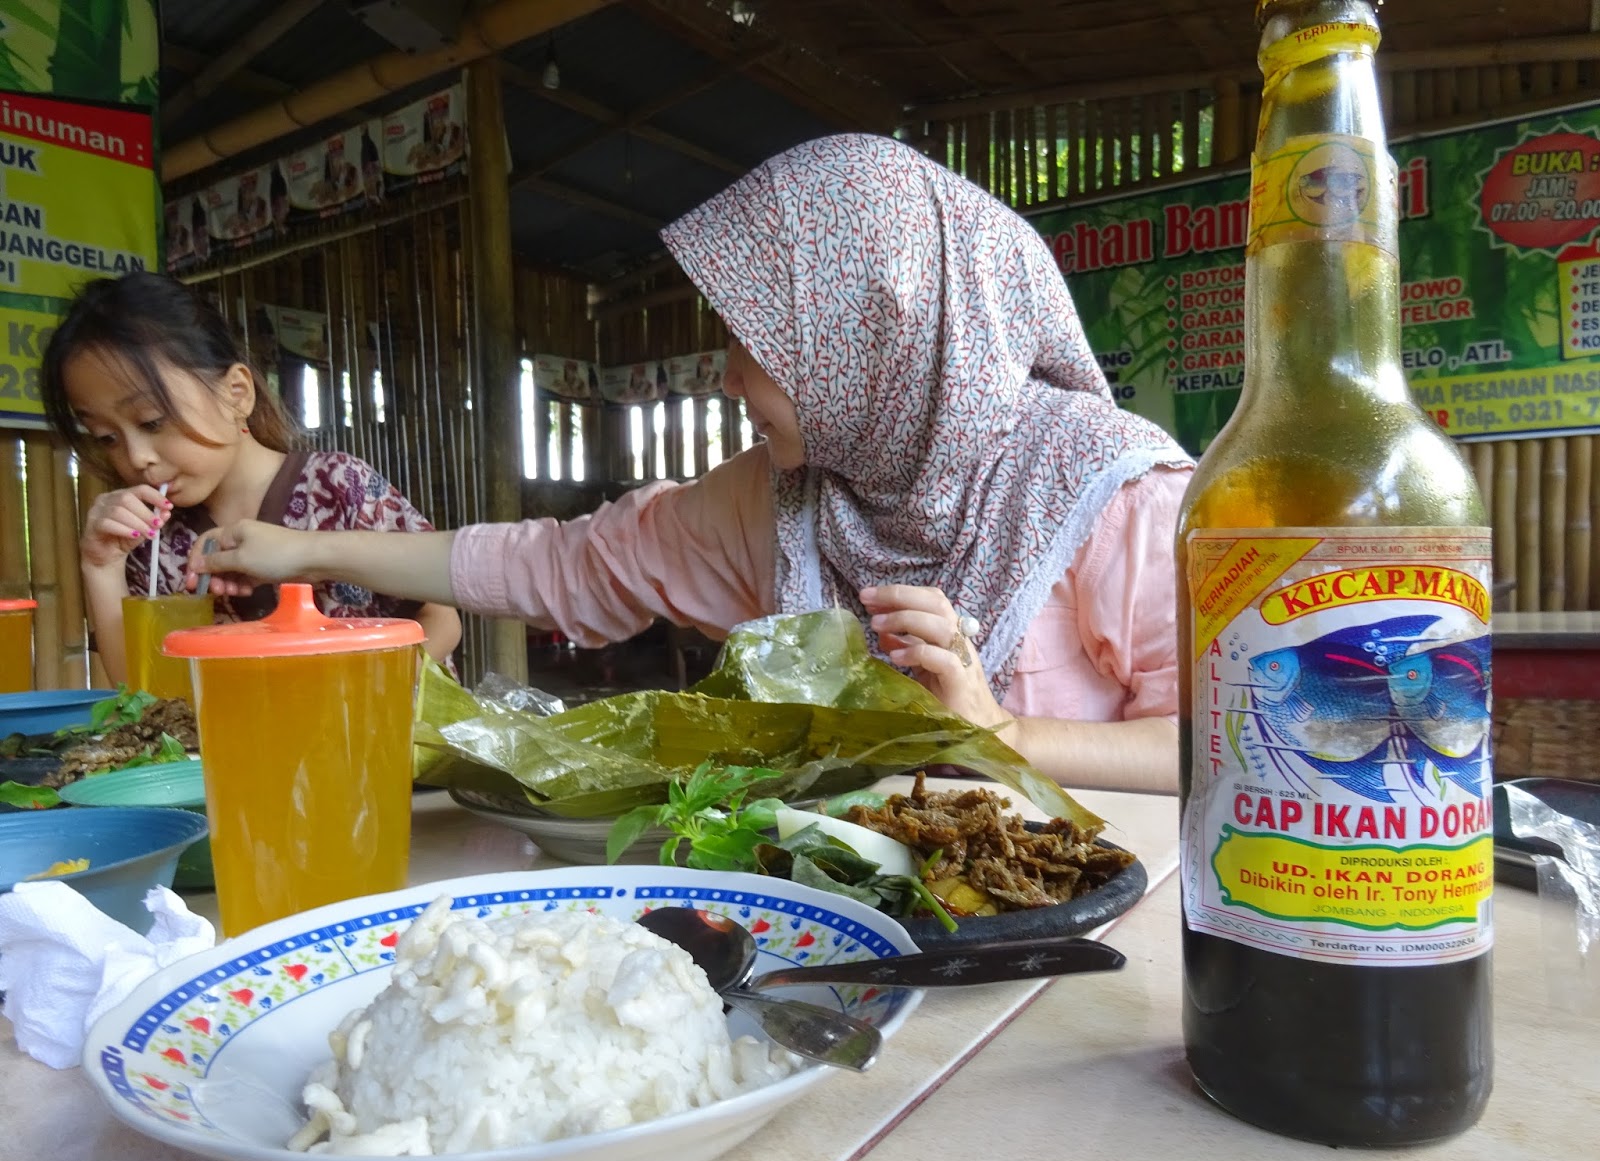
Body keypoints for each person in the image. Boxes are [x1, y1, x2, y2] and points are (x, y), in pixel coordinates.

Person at [187, 135, 1192, 793]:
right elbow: (559, 563)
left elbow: (1222, 745)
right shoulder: (787, 501)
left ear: (871, 335)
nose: (727, 373)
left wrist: (1006, 736)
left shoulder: (1110, 493)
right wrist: (301, 550)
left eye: (758, 340)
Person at [40, 271, 461, 683]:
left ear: (236, 394)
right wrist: (101, 567)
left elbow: (441, 619)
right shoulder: (149, 541)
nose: (136, 458)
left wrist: (362, 695)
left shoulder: (337, 485)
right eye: (107, 437)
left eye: (151, 421)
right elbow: (142, 688)